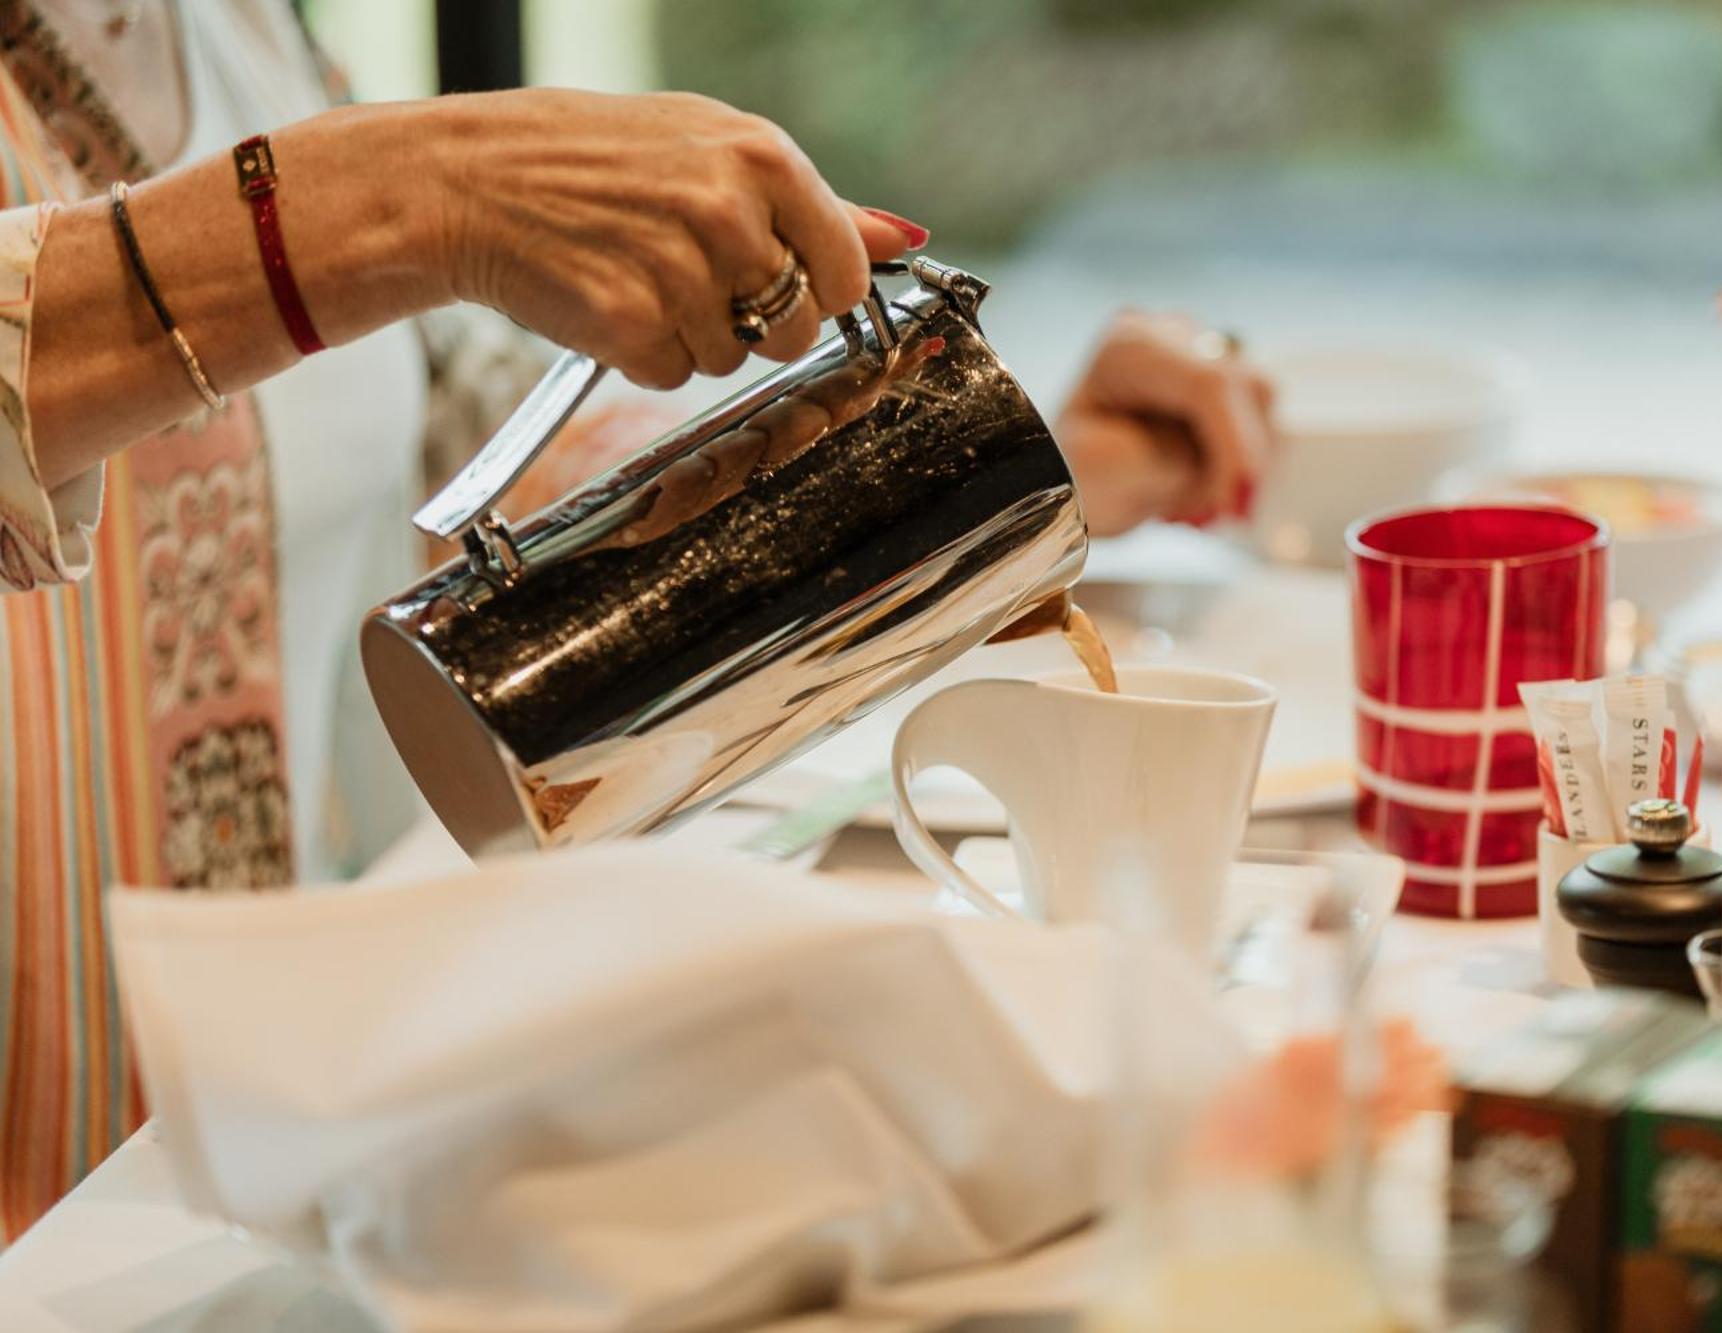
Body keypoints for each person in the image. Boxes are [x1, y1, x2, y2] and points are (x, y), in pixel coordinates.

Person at [0, 0, 1276, 1238]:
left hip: (294, 1163)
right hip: (49, 1218)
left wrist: (982, 444)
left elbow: (498, 474)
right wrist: (407, 192)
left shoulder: (237, 26)